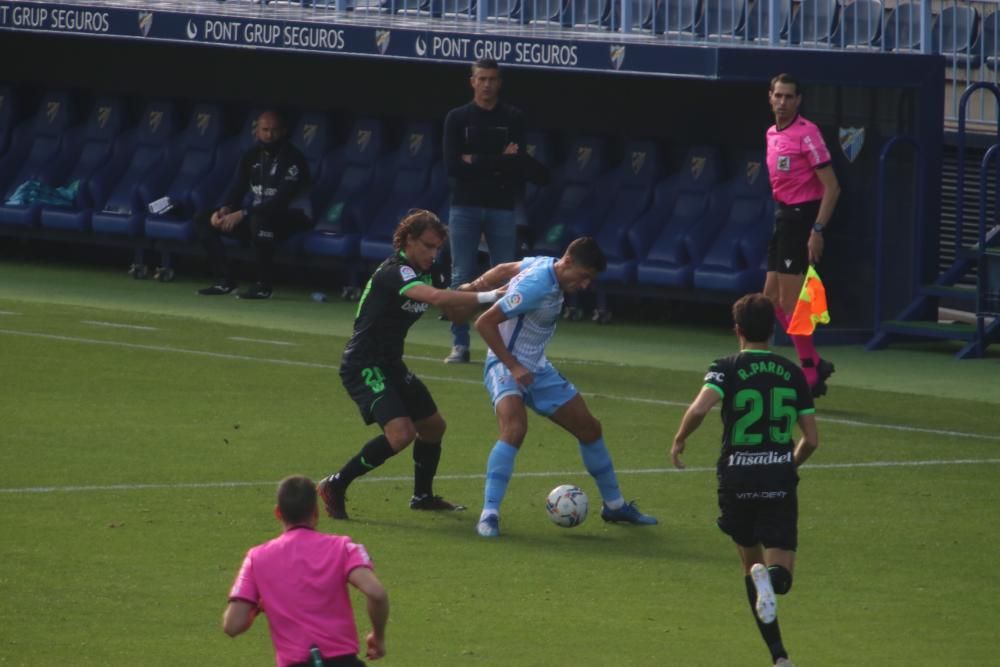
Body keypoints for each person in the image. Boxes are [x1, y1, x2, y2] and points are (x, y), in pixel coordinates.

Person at [317, 210, 505, 520]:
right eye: (428, 246)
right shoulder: (396, 271)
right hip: (364, 364)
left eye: (437, 249)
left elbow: (453, 311)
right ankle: (336, 484)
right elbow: (432, 297)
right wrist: (489, 294)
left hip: (390, 363)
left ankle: (422, 496)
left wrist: (483, 297)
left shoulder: (432, 271)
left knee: (433, 427)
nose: (433, 254)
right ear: (408, 240)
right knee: (401, 434)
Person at [466, 236, 657, 537]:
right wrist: (513, 365)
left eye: (589, 280)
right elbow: (484, 324)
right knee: (514, 429)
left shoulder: (542, 264)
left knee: (590, 429)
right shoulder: (536, 286)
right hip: (505, 365)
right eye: (583, 277)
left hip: (538, 370)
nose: (584, 286)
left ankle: (615, 505)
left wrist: (474, 287)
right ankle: (489, 513)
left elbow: (505, 267)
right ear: (567, 262)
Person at [670, 293, 819, 667]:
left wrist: (680, 438)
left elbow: (701, 406)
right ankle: (769, 583)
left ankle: (779, 656)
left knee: (749, 568)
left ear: (736, 329)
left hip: (736, 477)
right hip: (778, 479)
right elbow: (812, 440)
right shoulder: (793, 372)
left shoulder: (726, 366)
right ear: (774, 330)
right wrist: (788, 464)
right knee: (778, 578)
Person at [441, 57, 549, 364]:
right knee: (461, 273)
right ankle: (459, 345)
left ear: (499, 82)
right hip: (464, 206)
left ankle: (502, 346)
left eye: (492, 79)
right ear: (472, 81)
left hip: (502, 206)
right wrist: (498, 161)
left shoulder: (513, 117)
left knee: (506, 277)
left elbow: (517, 163)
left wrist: (475, 161)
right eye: (482, 78)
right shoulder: (457, 118)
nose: (487, 84)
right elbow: (452, 166)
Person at [223, 475, 389, 667]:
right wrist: (378, 637)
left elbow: (232, 625)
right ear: (316, 512)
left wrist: (259, 607)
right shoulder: (343, 547)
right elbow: (376, 593)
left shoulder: (256, 558)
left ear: (278, 513)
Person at [764, 73, 840, 397]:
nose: (782, 103)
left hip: (800, 218)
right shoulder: (771, 133)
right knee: (768, 301)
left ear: (798, 101)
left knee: (791, 301)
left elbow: (833, 187)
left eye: (789, 97)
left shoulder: (807, 134)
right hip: (782, 216)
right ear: (770, 97)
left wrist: (817, 230)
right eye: (778, 96)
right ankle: (814, 361)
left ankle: (810, 375)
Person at [197, 110, 312, 300]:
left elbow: (280, 201)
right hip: (258, 216)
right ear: (256, 131)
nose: (269, 135)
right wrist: (224, 209)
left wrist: (242, 213)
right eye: (265, 130)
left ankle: (263, 285)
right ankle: (224, 281)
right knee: (203, 218)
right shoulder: (251, 156)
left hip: (293, 218)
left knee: (258, 219)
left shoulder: (293, 158)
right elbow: (236, 188)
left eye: (274, 130)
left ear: (283, 132)